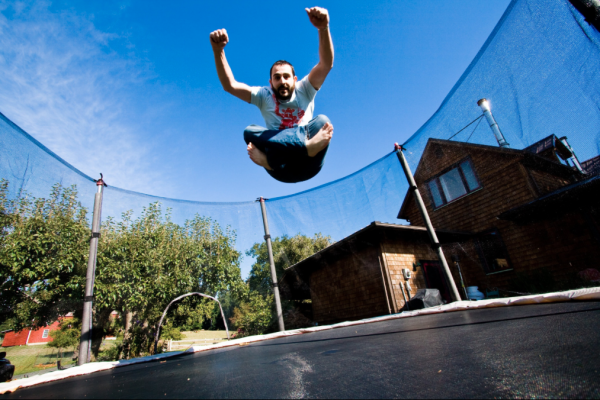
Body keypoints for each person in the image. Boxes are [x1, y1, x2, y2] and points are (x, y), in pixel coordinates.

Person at [210, 7, 334, 183]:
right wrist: (218, 51)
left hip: (309, 164)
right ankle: (303, 146)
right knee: (250, 131)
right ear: (270, 82)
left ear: (295, 79)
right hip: (280, 167)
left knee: (322, 121)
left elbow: (326, 64)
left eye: (286, 77)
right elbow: (230, 85)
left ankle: (300, 150)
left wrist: (323, 28)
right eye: (277, 78)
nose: (282, 81)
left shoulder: (305, 88)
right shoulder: (264, 95)